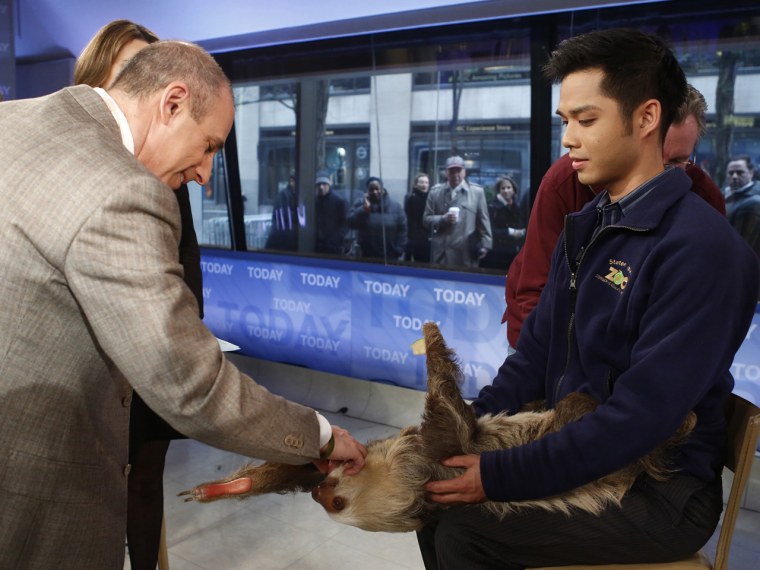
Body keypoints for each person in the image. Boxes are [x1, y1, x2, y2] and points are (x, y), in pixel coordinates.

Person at [0, 40, 367, 570]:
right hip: (34, 496)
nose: (203, 174)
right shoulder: (122, 190)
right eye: (209, 145)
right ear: (172, 103)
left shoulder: (14, 120)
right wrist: (322, 435)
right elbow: (191, 386)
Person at [417, 28, 758, 569]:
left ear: (646, 118)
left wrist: (501, 476)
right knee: (432, 501)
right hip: (583, 446)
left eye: (587, 120)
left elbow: (639, 419)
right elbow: (532, 357)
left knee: (467, 531)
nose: (568, 140)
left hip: (662, 489)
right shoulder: (591, 223)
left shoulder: (704, 250)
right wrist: (465, 424)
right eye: (564, 122)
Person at [74, 19, 202, 570]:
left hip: (154, 362)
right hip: (88, 364)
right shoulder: (71, 162)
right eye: (131, 70)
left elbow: (187, 272)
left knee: (146, 480)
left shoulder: (172, 173)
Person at [503, 83, 726, 348]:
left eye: (677, 162)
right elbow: (535, 286)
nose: (662, 176)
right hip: (547, 341)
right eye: (652, 157)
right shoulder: (566, 180)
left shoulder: (704, 197)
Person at [423, 155, 492, 267]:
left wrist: (485, 244)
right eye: (451, 171)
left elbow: (484, 221)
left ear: (464, 172)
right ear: (446, 173)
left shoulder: (476, 192)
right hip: (442, 254)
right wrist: (442, 219)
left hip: (466, 254)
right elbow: (426, 219)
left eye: (458, 170)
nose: (455, 174)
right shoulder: (435, 192)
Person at [347, 176, 408, 261]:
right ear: (367, 191)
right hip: (365, 256)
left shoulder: (396, 207)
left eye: (377, 189)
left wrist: (398, 250)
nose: (375, 192)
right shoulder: (360, 204)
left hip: (389, 256)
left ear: (382, 189)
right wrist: (364, 209)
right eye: (371, 190)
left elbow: (403, 229)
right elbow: (350, 223)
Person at [480, 175, 525, 271]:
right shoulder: (492, 207)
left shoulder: (517, 207)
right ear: (498, 190)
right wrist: (510, 232)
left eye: (509, 188)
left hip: (514, 252)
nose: (506, 191)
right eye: (503, 188)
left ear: (513, 190)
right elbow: (490, 231)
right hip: (498, 252)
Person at [723, 155, 760, 264]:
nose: (734, 176)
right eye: (731, 173)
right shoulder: (723, 194)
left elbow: (744, 246)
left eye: (740, 172)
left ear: (751, 173)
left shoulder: (753, 204)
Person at [266, 170, 304, 251]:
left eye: (294, 180)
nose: (293, 182)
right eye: (292, 180)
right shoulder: (283, 195)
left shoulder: (298, 194)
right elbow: (283, 216)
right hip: (284, 236)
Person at [314, 171, 349, 255]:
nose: (321, 187)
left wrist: (336, 239)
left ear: (329, 185)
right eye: (319, 184)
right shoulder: (314, 201)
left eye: (324, 184)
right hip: (316, 244)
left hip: (334, 246)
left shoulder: (340, 201)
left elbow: (346, 224)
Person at [405, 172, 431, 262]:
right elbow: (413, 221)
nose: (424, 185)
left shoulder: (429, 198)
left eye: (426, 183)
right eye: (422, 182)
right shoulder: (412, 198)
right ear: (416, 185)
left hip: (426, 237)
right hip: (418, 239)